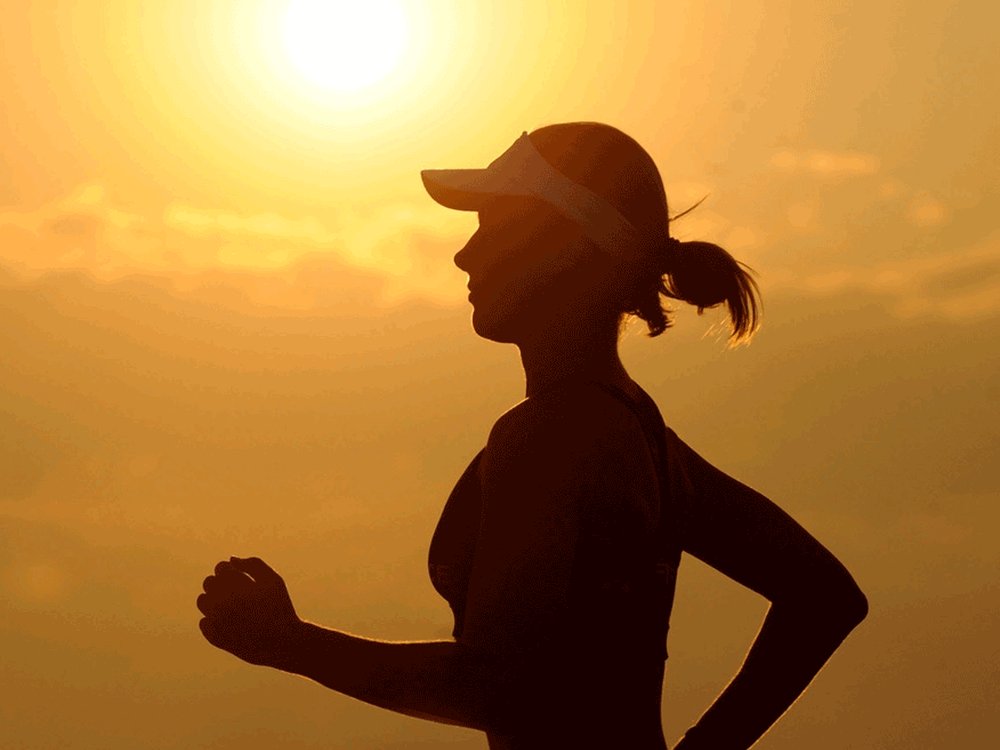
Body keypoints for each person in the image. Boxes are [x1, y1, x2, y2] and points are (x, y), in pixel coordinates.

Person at [196, 122, 868, 749]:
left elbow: (495, 686)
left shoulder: (553, 436)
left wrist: (292, 645)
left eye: (494, 227)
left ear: (566, 247)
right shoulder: (640, 433)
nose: (463, 253)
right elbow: (823, 597)